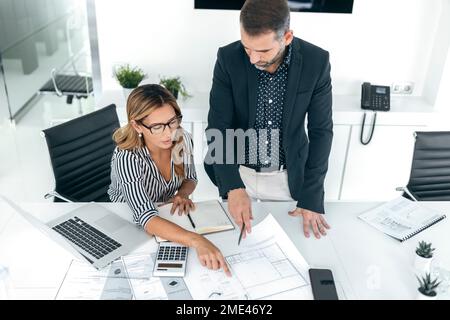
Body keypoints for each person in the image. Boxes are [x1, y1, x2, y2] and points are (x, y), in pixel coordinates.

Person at [204, 0, 333, 240]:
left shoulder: (316, 62)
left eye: (263, 51)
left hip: (288, 178)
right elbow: (218, 127)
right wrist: (233, 185)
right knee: (233, 246)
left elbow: (321, 131)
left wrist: (312, 195)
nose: (253, 59)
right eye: (247, 48)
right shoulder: (227, 58)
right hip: (238, 172)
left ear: (287, 37)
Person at [108, 84, 230, 276]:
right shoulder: (127, 157)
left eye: (172, 122)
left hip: (163, 214)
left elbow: (190, 179)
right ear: (137, 126)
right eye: (157, 127)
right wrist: (197, 240)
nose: (168, 133)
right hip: (128, 223)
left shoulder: (181, 138)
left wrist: (181, 194)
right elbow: (145, 216)